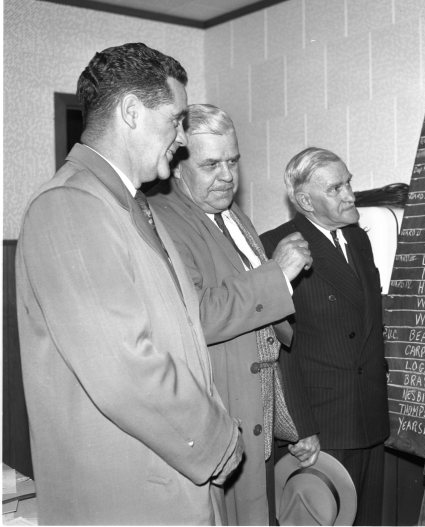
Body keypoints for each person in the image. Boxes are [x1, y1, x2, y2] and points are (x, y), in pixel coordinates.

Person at [15, 43, 243, 525]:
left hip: (172, 484)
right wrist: (218, 441)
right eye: (176, 120)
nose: (182, 138)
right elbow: (124, 368)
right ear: (132, 112)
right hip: (131, 500)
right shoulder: (70, 205)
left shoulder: (128, 203)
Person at [147, 103, 319, 525]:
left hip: (258, 415)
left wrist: (293, 417)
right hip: (218, 418)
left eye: (233, 161)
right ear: (177, 166)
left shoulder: (231, 214)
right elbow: (198, 315)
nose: (227, 175)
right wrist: (277, 274)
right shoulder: (161, 220)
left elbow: (269, 327)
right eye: (211, 164)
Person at [261, 147, 390, 526]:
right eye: (336, 188)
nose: (350, 194)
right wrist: (299, 428)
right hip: (321, 426)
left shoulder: (357, 239)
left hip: (369, 417)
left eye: (348, 183)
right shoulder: (277, 246)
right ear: (305, 202)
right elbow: (278, 349)